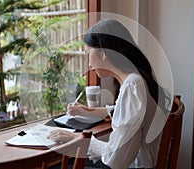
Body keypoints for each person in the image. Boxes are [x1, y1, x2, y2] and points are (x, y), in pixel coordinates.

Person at [47, 19, 170, 169]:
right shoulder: (136, 79)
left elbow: (116, 159)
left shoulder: (132, 85)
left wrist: (78, 138)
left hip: (134, 166)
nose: (89, 64)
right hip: (137, 163)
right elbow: (124, 111)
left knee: (57, 164)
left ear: (103, 53)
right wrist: (87, 111)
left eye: (88, 54)